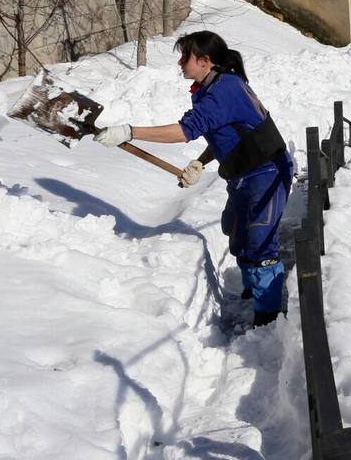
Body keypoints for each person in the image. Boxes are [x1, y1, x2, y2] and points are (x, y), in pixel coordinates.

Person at [93, 31, 293, 326]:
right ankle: (254, 289)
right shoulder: (209, 88)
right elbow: (227, 133)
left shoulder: (225, 89)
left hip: (267, 171)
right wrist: (200, 162)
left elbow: (185, 131)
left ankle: (268, 318)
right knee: (236, 232)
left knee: (260, 242)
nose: (180, 62)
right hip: (242, 173)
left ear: (204, 60)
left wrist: (130, 132)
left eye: (184, 56)